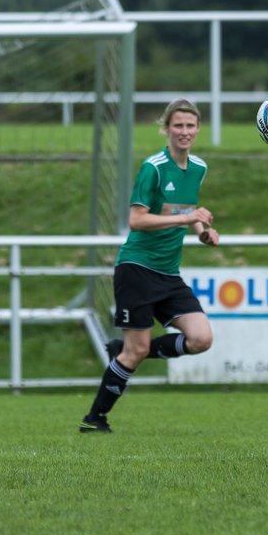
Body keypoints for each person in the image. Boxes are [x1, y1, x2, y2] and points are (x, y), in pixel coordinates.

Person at [80, 98, 220, 433]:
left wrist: (202, 231)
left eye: (190, 126)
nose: (184, 132)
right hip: (137, 269)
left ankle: (124, 350)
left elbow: (185, 210)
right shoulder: (153, 167)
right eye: (178, 126)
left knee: (201, 338)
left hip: (169, 273)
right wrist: (188, 218)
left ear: (198, 129)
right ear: (167, 128)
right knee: (136, 351)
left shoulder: (198, 168)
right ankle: (95, 418)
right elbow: (137, 220)